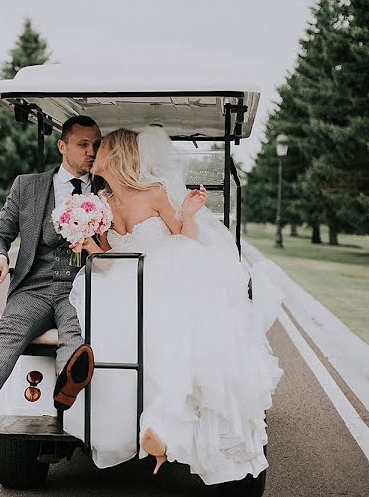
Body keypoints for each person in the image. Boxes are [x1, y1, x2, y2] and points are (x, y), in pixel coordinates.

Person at [62, 127, 283, 485]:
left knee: (171, 328)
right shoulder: (102, 202)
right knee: (109, 327)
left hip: (168, 270)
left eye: (101, 147)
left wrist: (190, 212)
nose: (93, 153)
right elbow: (105, 260)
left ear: (116, 156)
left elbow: (184, 239)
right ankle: (141, 425)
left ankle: (162, 426)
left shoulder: (154, 192)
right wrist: (87, 244)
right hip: (122, 277)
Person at [0, 116, 103, 415]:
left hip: (82, 284)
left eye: (96, 144)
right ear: (62, 146)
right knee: (10, 327)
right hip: (34, 285)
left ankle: (66, 385)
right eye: (83, 144)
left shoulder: (106, 188)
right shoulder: (26, 186)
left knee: (75, 329)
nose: (91, 151)